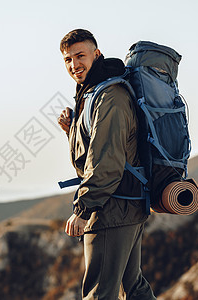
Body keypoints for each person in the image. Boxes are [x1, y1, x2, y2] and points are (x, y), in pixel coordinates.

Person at [57, 29, 156, 300]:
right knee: (133, 288)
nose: (74, 64)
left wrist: (83, 209)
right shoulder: (93, 93)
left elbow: (107, 161)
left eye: (80, 56)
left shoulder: (110, 96)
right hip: (126, 203)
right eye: (67, 59)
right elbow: (98, 149)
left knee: (100, 293)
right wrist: (71, 130)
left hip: (112, 208)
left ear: (96, 54)